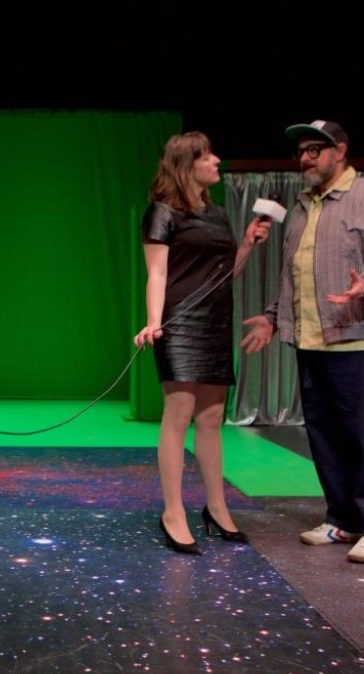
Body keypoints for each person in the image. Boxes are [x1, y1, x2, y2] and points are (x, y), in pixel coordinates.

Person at [241, 120, 364, 565]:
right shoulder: (301, 207)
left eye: (315, 149)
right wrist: (273, 318)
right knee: (325, 437)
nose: (305, 158)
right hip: (311, 342)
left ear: (341, 150)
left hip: (359, 339)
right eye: (300, 151)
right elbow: (294, 274)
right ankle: (342, 518)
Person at [134, 132, 271, 556]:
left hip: (214, 323)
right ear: (186, 164)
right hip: (179, 322)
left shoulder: (216, 214)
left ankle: (216, 507)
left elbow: (225, 274)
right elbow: (157, 274)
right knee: (178, 416)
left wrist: (246, 245)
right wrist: (154, 322)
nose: (216, 160)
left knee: (211, 418)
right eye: (206, 155)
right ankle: (173, 512)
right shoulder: (162, 212)